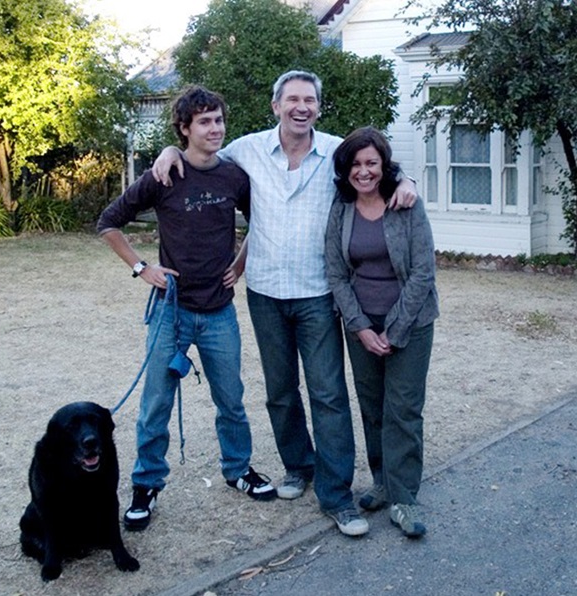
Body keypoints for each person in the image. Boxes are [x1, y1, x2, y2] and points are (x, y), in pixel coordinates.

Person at [153, 71, 417, 536]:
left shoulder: (337, 152)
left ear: (318, 107)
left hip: (318, 294)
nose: (301, 107)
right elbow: (199, 156)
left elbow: (377, 171)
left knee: (329, 395)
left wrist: (407, 178)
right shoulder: (246, 151)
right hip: (265, 293)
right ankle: (299, 466)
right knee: (279, 391)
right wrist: (170, 150)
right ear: (275, 106)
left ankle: (337, 497)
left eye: (309, 100)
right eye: (292, 99)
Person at [98, 85, 276, 533]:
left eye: (218, 120)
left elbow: (265, 222)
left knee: (230, 399)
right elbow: (108, 223)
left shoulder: (234, 177)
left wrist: (241, 262)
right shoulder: (164, 175)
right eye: (204, 122)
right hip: (170, 311)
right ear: (184, 129)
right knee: (156, 403)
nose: (214, 129)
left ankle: (238, 470)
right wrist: (142, 267)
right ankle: (146, 485)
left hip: (219, 312)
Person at [324, 127, 439, 538]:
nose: (364, 171)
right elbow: (336, 273)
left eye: (371, 162)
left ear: (384, 165)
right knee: (372, 407)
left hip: (410, 324)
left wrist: (393, 329)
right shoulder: (342, 207)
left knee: (403, 410)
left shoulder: (405, 204)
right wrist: (359, 327)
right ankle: (383, 481)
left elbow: (423, 271)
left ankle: (404, 499)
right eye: (356, 164)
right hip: (362, 326)